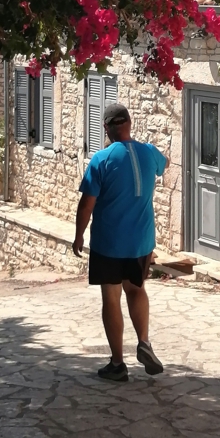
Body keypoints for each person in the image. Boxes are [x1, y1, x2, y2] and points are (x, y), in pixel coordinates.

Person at [72, 102, 167, 381]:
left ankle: (117, 363)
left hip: (109, 243)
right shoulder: (149, 152)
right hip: (141, 242)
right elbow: (165, 164)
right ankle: (144, 342)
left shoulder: (101, 160)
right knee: (136, 290)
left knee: (111, 298)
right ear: (129, 123)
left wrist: (79, 234)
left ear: (107, 129)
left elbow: (87, 203)